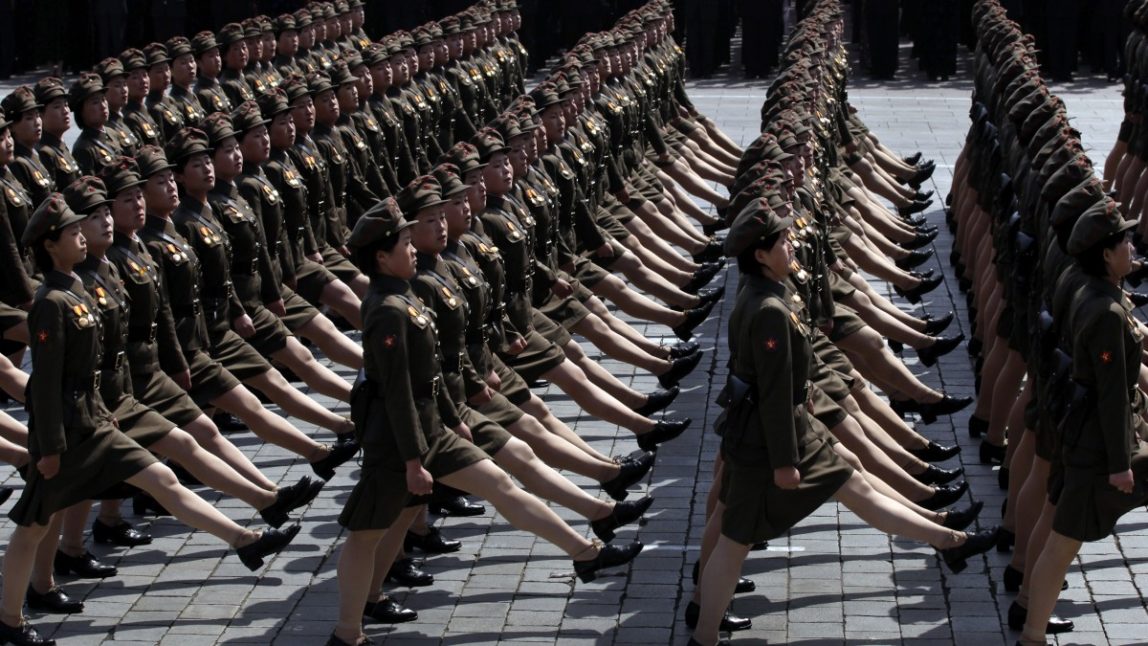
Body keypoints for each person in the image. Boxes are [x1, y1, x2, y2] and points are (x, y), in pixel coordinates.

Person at [328, 201, 643, 646]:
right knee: (367, 535)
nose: (412, 248)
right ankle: (347, 633)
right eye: (403, 242)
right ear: (381, 256)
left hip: (433, 426)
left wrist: (455, 418)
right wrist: (415, 461)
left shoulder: (405, 295)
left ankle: (585, 552)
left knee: (501, 483)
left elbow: (432, 370)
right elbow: (397, 391)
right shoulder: (386, 310)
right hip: (398, 443)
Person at [689, 202, 999, 646]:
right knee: (735, 537)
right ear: (760, 254)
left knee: (852, 481)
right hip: (769, 440)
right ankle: (703, 634)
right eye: (781, 241)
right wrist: (784, 462)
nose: (790, 242)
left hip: (778, 428)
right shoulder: (769, 311)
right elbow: (774, 393)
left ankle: (947, 537)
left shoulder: (765, 294)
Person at [0, 195, 298, 646]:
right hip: (70, 432)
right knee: (34, 523)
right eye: (73, 230)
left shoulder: (76, 289)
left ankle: (244, 539)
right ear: (49, 245)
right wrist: (49, 448)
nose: (82, 233)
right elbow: (43, 384)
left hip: (96, 423)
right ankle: (8, 620)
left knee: (160, 476)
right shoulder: (50, 302)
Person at [1019, 202, 1147, 645]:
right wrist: (1121, 465)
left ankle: (1028, 617)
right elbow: (1112, 395)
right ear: (1106, 255)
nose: (1131, 246)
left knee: (1058, 530)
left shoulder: (1084, 285)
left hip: (1077, 430)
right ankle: (1032, 634)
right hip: (1098, 447)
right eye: (1124, 241)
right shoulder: (1107, 314)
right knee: (1062, 541)